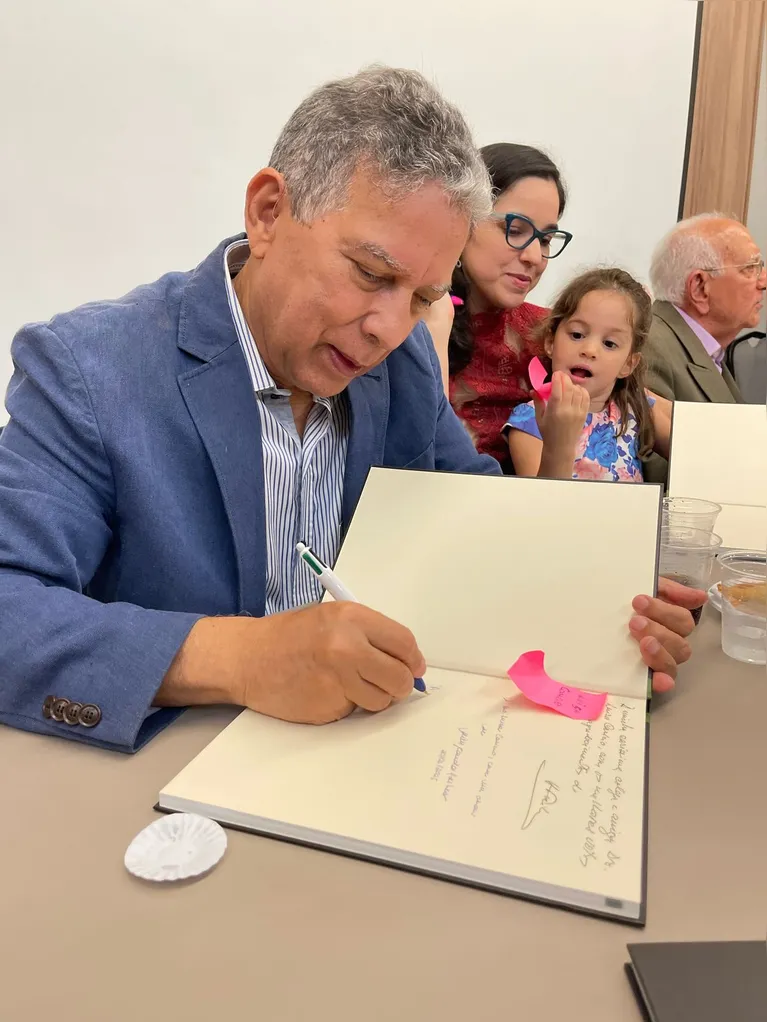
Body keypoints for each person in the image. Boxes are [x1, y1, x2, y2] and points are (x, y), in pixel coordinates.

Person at [0, 67, 701, 754]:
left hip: (374, 751)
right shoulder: (92, 369)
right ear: (269, 212)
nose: (389, 328)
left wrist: (599, 588)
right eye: (371, 274)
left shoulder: (402, 363)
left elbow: (476, 515)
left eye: (425, 297)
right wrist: (239, 658)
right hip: (164, 781)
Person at [427, 143, 572, 472]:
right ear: (463, 220)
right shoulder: (411, 320)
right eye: (515, 230)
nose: (534, 257)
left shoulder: (551, 334)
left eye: (545, 240)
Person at [505, 268, 671, 480]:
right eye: (577, 335)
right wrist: (560, 441)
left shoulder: (636, 408)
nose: (589, 350)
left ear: (628, 364)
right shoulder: (529, 420)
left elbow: (695, 453)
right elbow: (543, 503)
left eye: (609, 343)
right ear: (550, 342)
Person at [645, 213, 765, 404]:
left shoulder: (708, 352)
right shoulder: (650, 350)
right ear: (700, 288)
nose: (763, 282)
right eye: (750, 268)